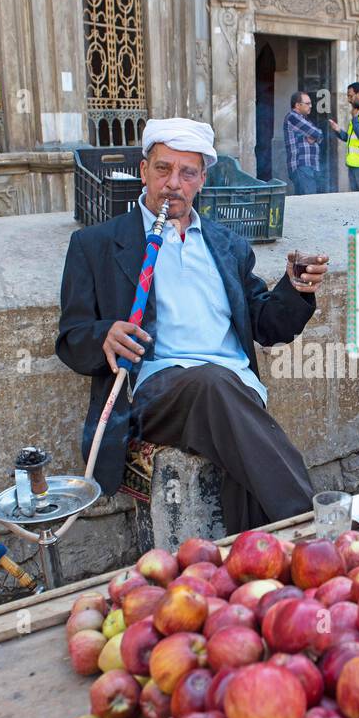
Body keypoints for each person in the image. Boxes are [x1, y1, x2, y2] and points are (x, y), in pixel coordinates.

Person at [56, 117, 329, 533]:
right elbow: (72, 338)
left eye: (187, 172)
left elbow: (268, 326)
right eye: (163, 169)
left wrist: (295, 288)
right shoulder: (95, 245)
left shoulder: (226, 244)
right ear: (143, 170)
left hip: (233, 391)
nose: (173, 184)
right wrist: (104, 336)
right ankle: (318, 532)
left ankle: (263, 575)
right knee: (212, 383)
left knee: (243, 467)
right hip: (156, 390)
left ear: (202, 179)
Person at [282, 91, 325, 195]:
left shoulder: (304, 120)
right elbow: (317, 133)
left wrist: (314, 137)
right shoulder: (292, 117)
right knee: (308, 202)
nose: (311, 106)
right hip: (302, 167)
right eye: (307, 103)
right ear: (297, 105)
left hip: (309, 167)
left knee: (309, 203)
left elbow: (319, 135)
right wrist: (314, 137)